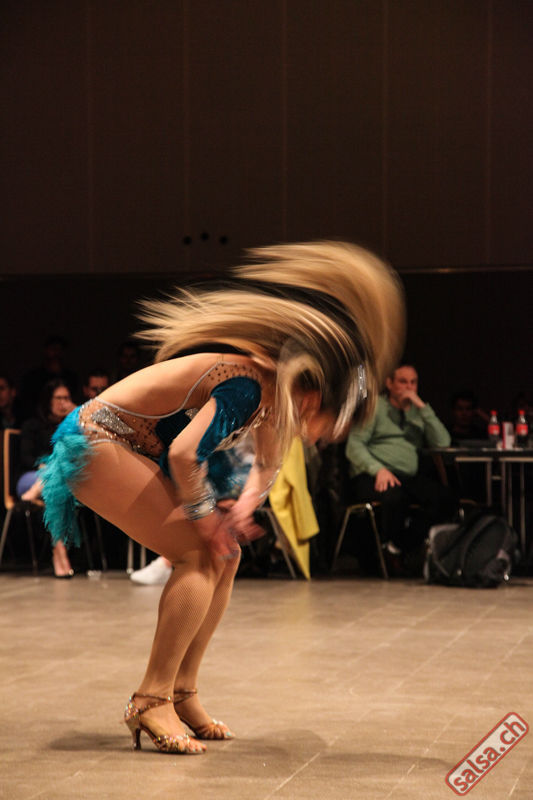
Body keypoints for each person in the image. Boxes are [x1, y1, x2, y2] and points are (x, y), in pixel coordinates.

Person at [40, 241, 404, 754]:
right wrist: (207, 517)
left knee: (224, 555)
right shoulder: (247, 388)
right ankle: (150, 699)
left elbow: (268, 464)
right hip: (97, 440)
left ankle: (182, 692)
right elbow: (185, 454)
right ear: (315, 397)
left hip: (133, 449)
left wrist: (242, 510)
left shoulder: (274, 397)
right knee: (196, 552)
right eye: (332, 423)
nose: (328, 435)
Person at [346, 364, 456, 566]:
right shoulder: (375, 407)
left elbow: (443, 443)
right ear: (389, 383)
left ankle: (396, 547)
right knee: (395, 497)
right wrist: (378, 470)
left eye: (413, 382)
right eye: (403, 382)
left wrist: (422, 407)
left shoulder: (419, 412)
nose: (409, 387)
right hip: (373, 474)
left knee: (445, 498)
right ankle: (384, 556)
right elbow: (354, 446)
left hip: (407, 477)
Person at [16, 379, 77, 578]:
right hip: (31, 478)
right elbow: (25, 458)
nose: (63, 403)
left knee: (56, 482)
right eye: (58, 398)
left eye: (67, 398)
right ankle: (60, 553)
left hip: (57, 483)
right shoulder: (32, 425)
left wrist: (75, 419)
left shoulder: (71, 427)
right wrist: (44, 466)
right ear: (47, 401)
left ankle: (58, 550)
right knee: (55, 476)